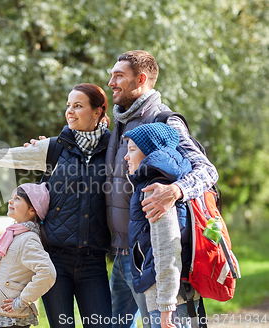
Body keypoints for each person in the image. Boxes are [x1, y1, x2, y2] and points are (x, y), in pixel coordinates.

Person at [0, 83, 113, 327]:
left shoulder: (114, 149)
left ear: (97, 112)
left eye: (78, 106)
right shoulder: (53, 147)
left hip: (93, 261)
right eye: (68, 105)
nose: (70, 111)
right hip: (54, 258)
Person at [105, 50, 218, 328]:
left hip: (153, 257)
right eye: (111, 75)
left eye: (118, 76)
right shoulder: (119, 122)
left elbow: (207, 171)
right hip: (121, 256)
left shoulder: (166, 121)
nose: (111, 83)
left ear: (141, 79)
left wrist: (175, 190)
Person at [123, 123, 200, 328]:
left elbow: (167, 248)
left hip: (168, 301)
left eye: (132, 150)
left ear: (149, 152)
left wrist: (166, 306)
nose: (126, 157)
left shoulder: (156, 190)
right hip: (175, 296)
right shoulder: (166, 182)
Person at [0, 182, 56, 328]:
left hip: (14, 315)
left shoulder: (29, 238)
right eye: (12, 197)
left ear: (32, 210)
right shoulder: (16, 233)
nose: (10, 201)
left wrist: (21, 301)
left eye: (17, 199)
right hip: (6, 313)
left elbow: (48, 272)